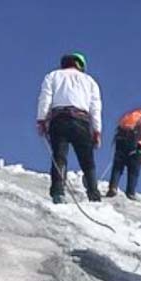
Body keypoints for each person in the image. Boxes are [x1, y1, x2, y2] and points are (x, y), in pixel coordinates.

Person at [36, 52, 103, 204]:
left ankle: (58, 193)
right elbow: (95, 107)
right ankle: (94, 194)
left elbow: (45, 98)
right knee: (87, 160)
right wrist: (97, 130)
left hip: (59, 119)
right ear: (80, 65)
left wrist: (41, 119)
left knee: (59, 156)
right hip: (82, 121)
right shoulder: (90, 81)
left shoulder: (52, 76)